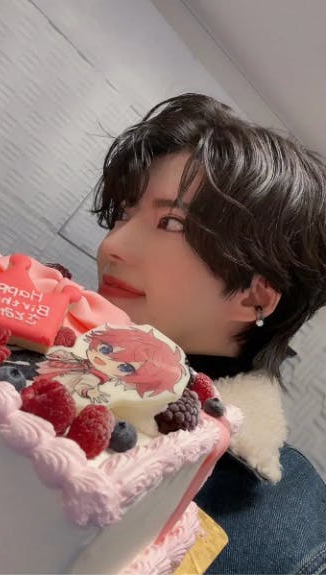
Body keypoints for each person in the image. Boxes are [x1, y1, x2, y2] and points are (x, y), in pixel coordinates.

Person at [92, 93, 326, 574]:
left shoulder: (284, 516)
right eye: (123, 215)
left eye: (170, 222)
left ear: (255, 297)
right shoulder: (23, 358)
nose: (112, 244)